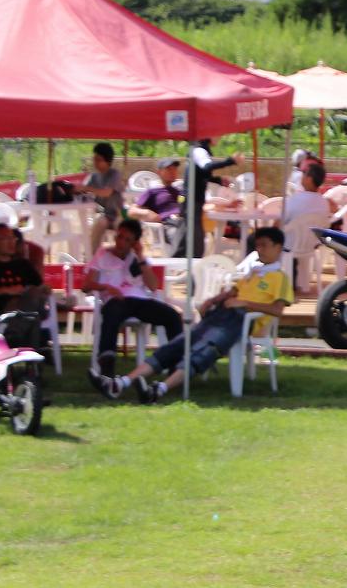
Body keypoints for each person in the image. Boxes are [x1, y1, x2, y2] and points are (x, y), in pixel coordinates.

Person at [96, 227, 294, 402]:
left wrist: (245, 303)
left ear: (278, 248)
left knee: (204, 350)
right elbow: (233, 291)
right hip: (221, 314)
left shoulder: (280, 278)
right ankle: (122, 383)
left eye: (264, 245)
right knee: (180, 343)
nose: (259, 250)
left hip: (242, 321)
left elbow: (277, 310)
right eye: (257, 245)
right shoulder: (254, 272)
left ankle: (160, 389)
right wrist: (213, 300)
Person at [87, 219, 183, 381]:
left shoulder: (139, 259)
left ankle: (176, 365)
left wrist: (140, 256)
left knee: (172, 316)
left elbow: (153, 286)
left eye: (127, 240)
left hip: (139, 301)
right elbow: (86, 285)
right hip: (115, 300)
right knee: (111, 314)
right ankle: (106, 364)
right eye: (119, 237)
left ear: (134, 243)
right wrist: (106, 287)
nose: (121, 242)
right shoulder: (103, 254)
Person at [181, 137, 242, 258]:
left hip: (193, 202)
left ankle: (189, 265)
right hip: (192, 203)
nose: (219, 137)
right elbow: (207, 167)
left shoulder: (198, 150)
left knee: (194, 240)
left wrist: (218, 180)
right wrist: (230, 161)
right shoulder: (199, 151)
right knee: (195, 242)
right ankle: (190, 266)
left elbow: (201, 174)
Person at [277, 161, 332, 295]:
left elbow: (279, 223)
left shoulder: (295, 199)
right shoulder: (323, 202)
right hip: (311, 245)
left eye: (304, 173)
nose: (301, 176)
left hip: (289, 244)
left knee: (256, 239)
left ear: (309, 179)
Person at [81, 142, 126, 256]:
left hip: (119, 214)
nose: (95, 162)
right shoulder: (93, 176)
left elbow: (107, 192)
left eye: (98, 160)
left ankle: (124, 257)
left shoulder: (115, 174)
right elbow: (83, 189)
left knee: (123, 229)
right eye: (94, 159)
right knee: (99, 223)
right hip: (104, 215)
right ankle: (91, 257)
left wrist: (87, 188)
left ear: (107, 161)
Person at [128, 157, 186, 238]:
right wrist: (147, 213)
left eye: (175, 169)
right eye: (169, 169)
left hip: (184, 222)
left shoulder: (179, 192)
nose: (173, 172)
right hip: (169, 225)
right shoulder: (153, 191)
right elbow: (131, 211)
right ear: (159, 172)